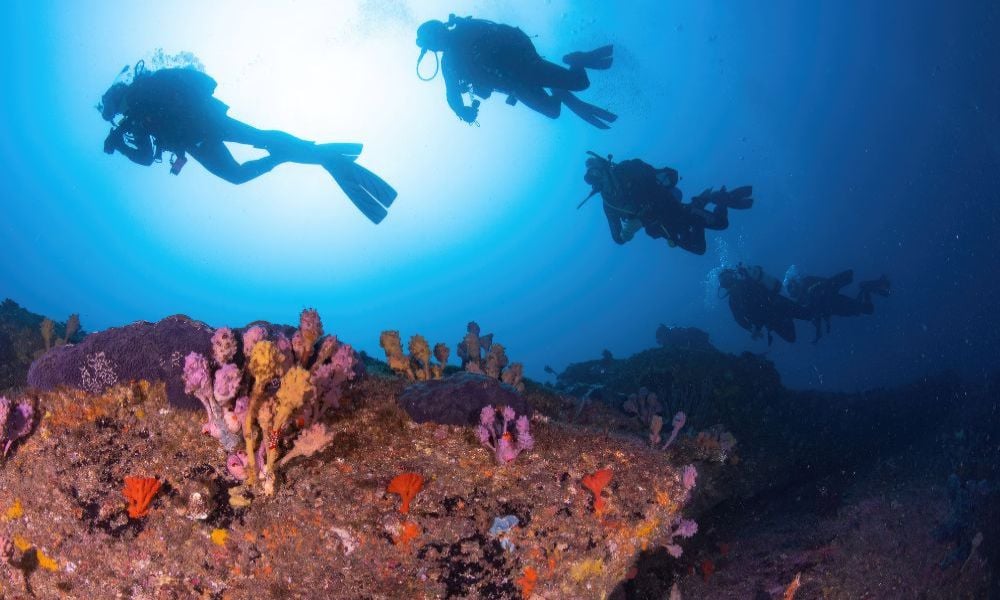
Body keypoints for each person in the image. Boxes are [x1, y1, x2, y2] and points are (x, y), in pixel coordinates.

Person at [99, 62, 397, 224]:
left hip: (199, 135)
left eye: (115, 111)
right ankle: (316, 155)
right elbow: (149, 153)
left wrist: (119, 144)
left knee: (239, 172)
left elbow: (145, 156)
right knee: (261, 139)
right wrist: (122, 141)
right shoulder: (142, 102)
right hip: (206, 124)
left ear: (117, 101)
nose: (119, 116)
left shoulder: (138, 105)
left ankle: (294, 156)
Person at [415, 15, 617, 128]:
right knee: (553, 111)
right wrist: (462, 111)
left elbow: (505, 33)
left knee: (580, 83)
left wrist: (462, 111)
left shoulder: (465, 30)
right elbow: (452, 94)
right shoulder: (449, 63)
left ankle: (576, 60)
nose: (433, 47)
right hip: (515, 87)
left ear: (437, 34)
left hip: (527, 68)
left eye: (429, 42)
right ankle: (559, 92)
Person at [580, 153, 753, 255]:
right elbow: (617, 238)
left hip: (676, 210)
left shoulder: (629, 170)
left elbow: (669, 177)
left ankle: (716, 199)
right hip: (661, 229)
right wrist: (628, 233)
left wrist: (643, 215)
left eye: (597, 172)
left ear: (607, 167)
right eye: (592, 178)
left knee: (722, 224)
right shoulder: (609, 205)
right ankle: (701, 202)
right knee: (699, 249)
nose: (598, 181)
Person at [786, 270, 891, 342]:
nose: (791, 293)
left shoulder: (807, 284)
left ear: (795, 283)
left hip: (837, 303)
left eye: (790, 287)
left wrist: (815, 288)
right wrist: (818, 334)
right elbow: (815, 315)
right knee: (866, 309)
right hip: (836, 308)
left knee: (866, 309)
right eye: (789, 291)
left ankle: (867, 286)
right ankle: (869, 287)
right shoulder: (802, 300)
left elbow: (826, 285)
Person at [719, 265, 809, 345]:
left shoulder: (746, 282)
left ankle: (805, 289)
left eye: (728, 279)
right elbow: (739, 319)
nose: (728, 283)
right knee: (792, 337)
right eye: (725, 282)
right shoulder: (734, 300)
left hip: (779, 306)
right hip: (774, 315)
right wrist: (752, 329)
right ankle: (799, 300)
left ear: (733, 276)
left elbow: (739, 319)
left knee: (808, 315)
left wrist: (753, 328)